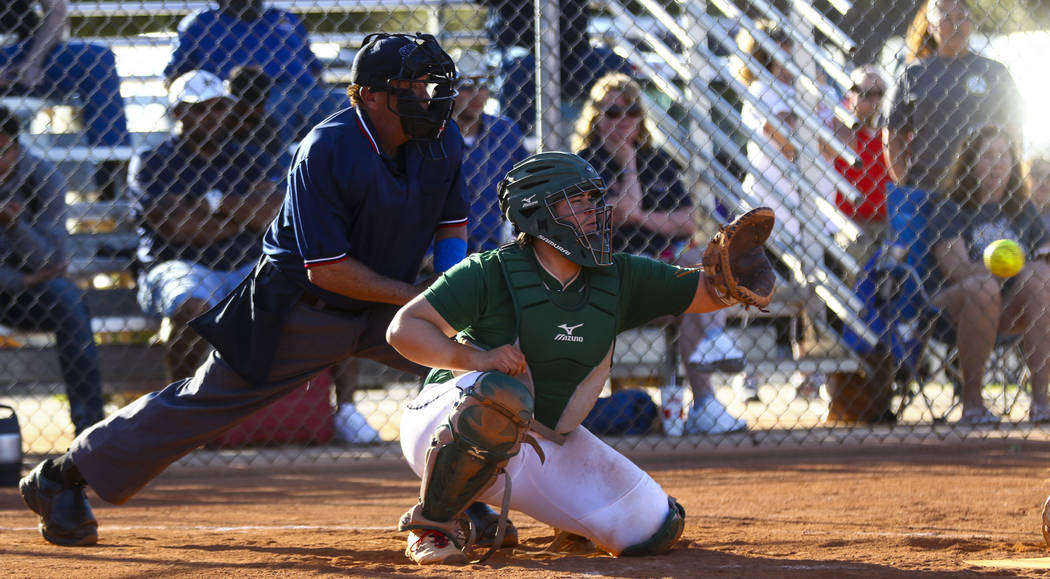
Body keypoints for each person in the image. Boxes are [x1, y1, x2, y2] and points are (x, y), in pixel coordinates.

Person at [16, 32, 476, 548]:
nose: (427, 96)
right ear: (370, 95)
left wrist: (448, 293)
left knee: (481, 370)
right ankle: (60, 478)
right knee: (205, 403)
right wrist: (422, 300)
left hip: (390, 306)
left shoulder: (441, 138)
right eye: (411, 85)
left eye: (430, 83)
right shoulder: (327, 148)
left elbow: (451, 225)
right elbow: (327, 270)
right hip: (301, 309)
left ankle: (472, 498)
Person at [388, 151, 774, 564]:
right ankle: (433, 523)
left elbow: (700, 292)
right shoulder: (492, 270)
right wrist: (474, 357)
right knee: (499, 397)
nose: (594, 210)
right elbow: (404, 329)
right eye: (578, 200)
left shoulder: (617, 274)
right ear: (536, 212)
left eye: (594, 199)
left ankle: (555, 518)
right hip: (445, 421)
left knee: (652, 527)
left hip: (541, 438)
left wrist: (731, 280)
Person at [573, 73, 746, 434]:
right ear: (596, 117)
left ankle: (706, 404)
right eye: (613, 112)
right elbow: (623, 212)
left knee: (697, 266)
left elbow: (687, 221)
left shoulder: (660, 160)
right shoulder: (583, 164)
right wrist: (630, 166)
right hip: (612, 277)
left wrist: (639, 216)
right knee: (688, 274)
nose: (623, 121)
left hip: (663, 270)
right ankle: (711, 368)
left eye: (631, 110)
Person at [131, 69, 282, 384]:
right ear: (178, 113)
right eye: (200, 108)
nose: (211, 116)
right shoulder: (152, 161)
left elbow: (273, 215)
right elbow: (178, 229)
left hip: (247, 265)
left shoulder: (250, 157)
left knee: (316, 297)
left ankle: (341, 408)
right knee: (194, 306)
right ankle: (181, 403)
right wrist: (242, 216)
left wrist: (216, 204)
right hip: (179, 264)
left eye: (218, 107)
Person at [926, 125, 1050, 424]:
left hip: (1008, 310)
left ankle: (1041, 402)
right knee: (983, 286)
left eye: (1004, 157)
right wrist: (1009, 268)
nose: (997, 165)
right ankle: (972, 404)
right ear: (970, 162)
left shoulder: (1022, 209)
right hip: (952, 308)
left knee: (1038, 278)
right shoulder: (951, 206)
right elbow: (956, 270)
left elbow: (1044, 257)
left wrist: (1035, 266)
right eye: (988, 156)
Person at [0, 104, 104, 436]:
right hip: (19, 281)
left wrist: (16, 228)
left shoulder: (42, 176)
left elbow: (53, 261)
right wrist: (24, 278)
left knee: (68, 299)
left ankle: (91, 433)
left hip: (29, 293)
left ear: (14, 147)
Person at [163, 0, 347, 147]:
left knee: (349, 107)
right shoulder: (200, 22)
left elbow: (313, 66)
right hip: (250, 96)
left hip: (305, 91)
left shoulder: (285, 17)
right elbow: (175, 75)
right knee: (272, 117)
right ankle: (280, 183)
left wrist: (319, 87)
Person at [885, 0, 1023, 192]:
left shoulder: (995, 72)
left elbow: (1015, 130)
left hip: (983, 189)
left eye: (961, 17)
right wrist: (905, 184)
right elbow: (893, 136)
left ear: (971, 21)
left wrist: (1006, 180)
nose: (956, 25)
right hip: (927, 187)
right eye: (946, 18)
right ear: (931, 27)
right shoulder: (913, 74)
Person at [0, 0, 132, 198]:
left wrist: (33, 62)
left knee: (97, 57)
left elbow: (56, 14)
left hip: (26, 51)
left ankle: (109, 173)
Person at [481, 0, 633, 135]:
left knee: (616, 65)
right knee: (522, 66)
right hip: (516, 48)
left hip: (572, 55)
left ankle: (616, 140)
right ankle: (515, 146)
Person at [448, 48, 529, 252]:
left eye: (483, 84)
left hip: (495, 249)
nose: (477, 93)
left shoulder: (505, 132)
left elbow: (526, 188)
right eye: (466, 85)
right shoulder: (431, 135)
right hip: (444, 248)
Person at [833, 66, 891, 264]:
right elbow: (849, 142)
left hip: (886, 221)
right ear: (850, 94)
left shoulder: (891, 132)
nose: (874, 101)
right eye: (866, 94)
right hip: (850, 222)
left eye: (879, 94)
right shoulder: (840, 127)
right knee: (855, 251)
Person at [225, 64, 291, 174]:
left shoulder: (269, 125)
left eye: (258, 104)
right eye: (236, 118)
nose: (250, 111)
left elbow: (268, 167)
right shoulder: (217, 119)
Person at [1025, 156, 1050, 231]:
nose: (1043, 182)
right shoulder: (1016, 214)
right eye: (1037, 175)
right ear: (1028, 178)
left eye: (1049, 177)